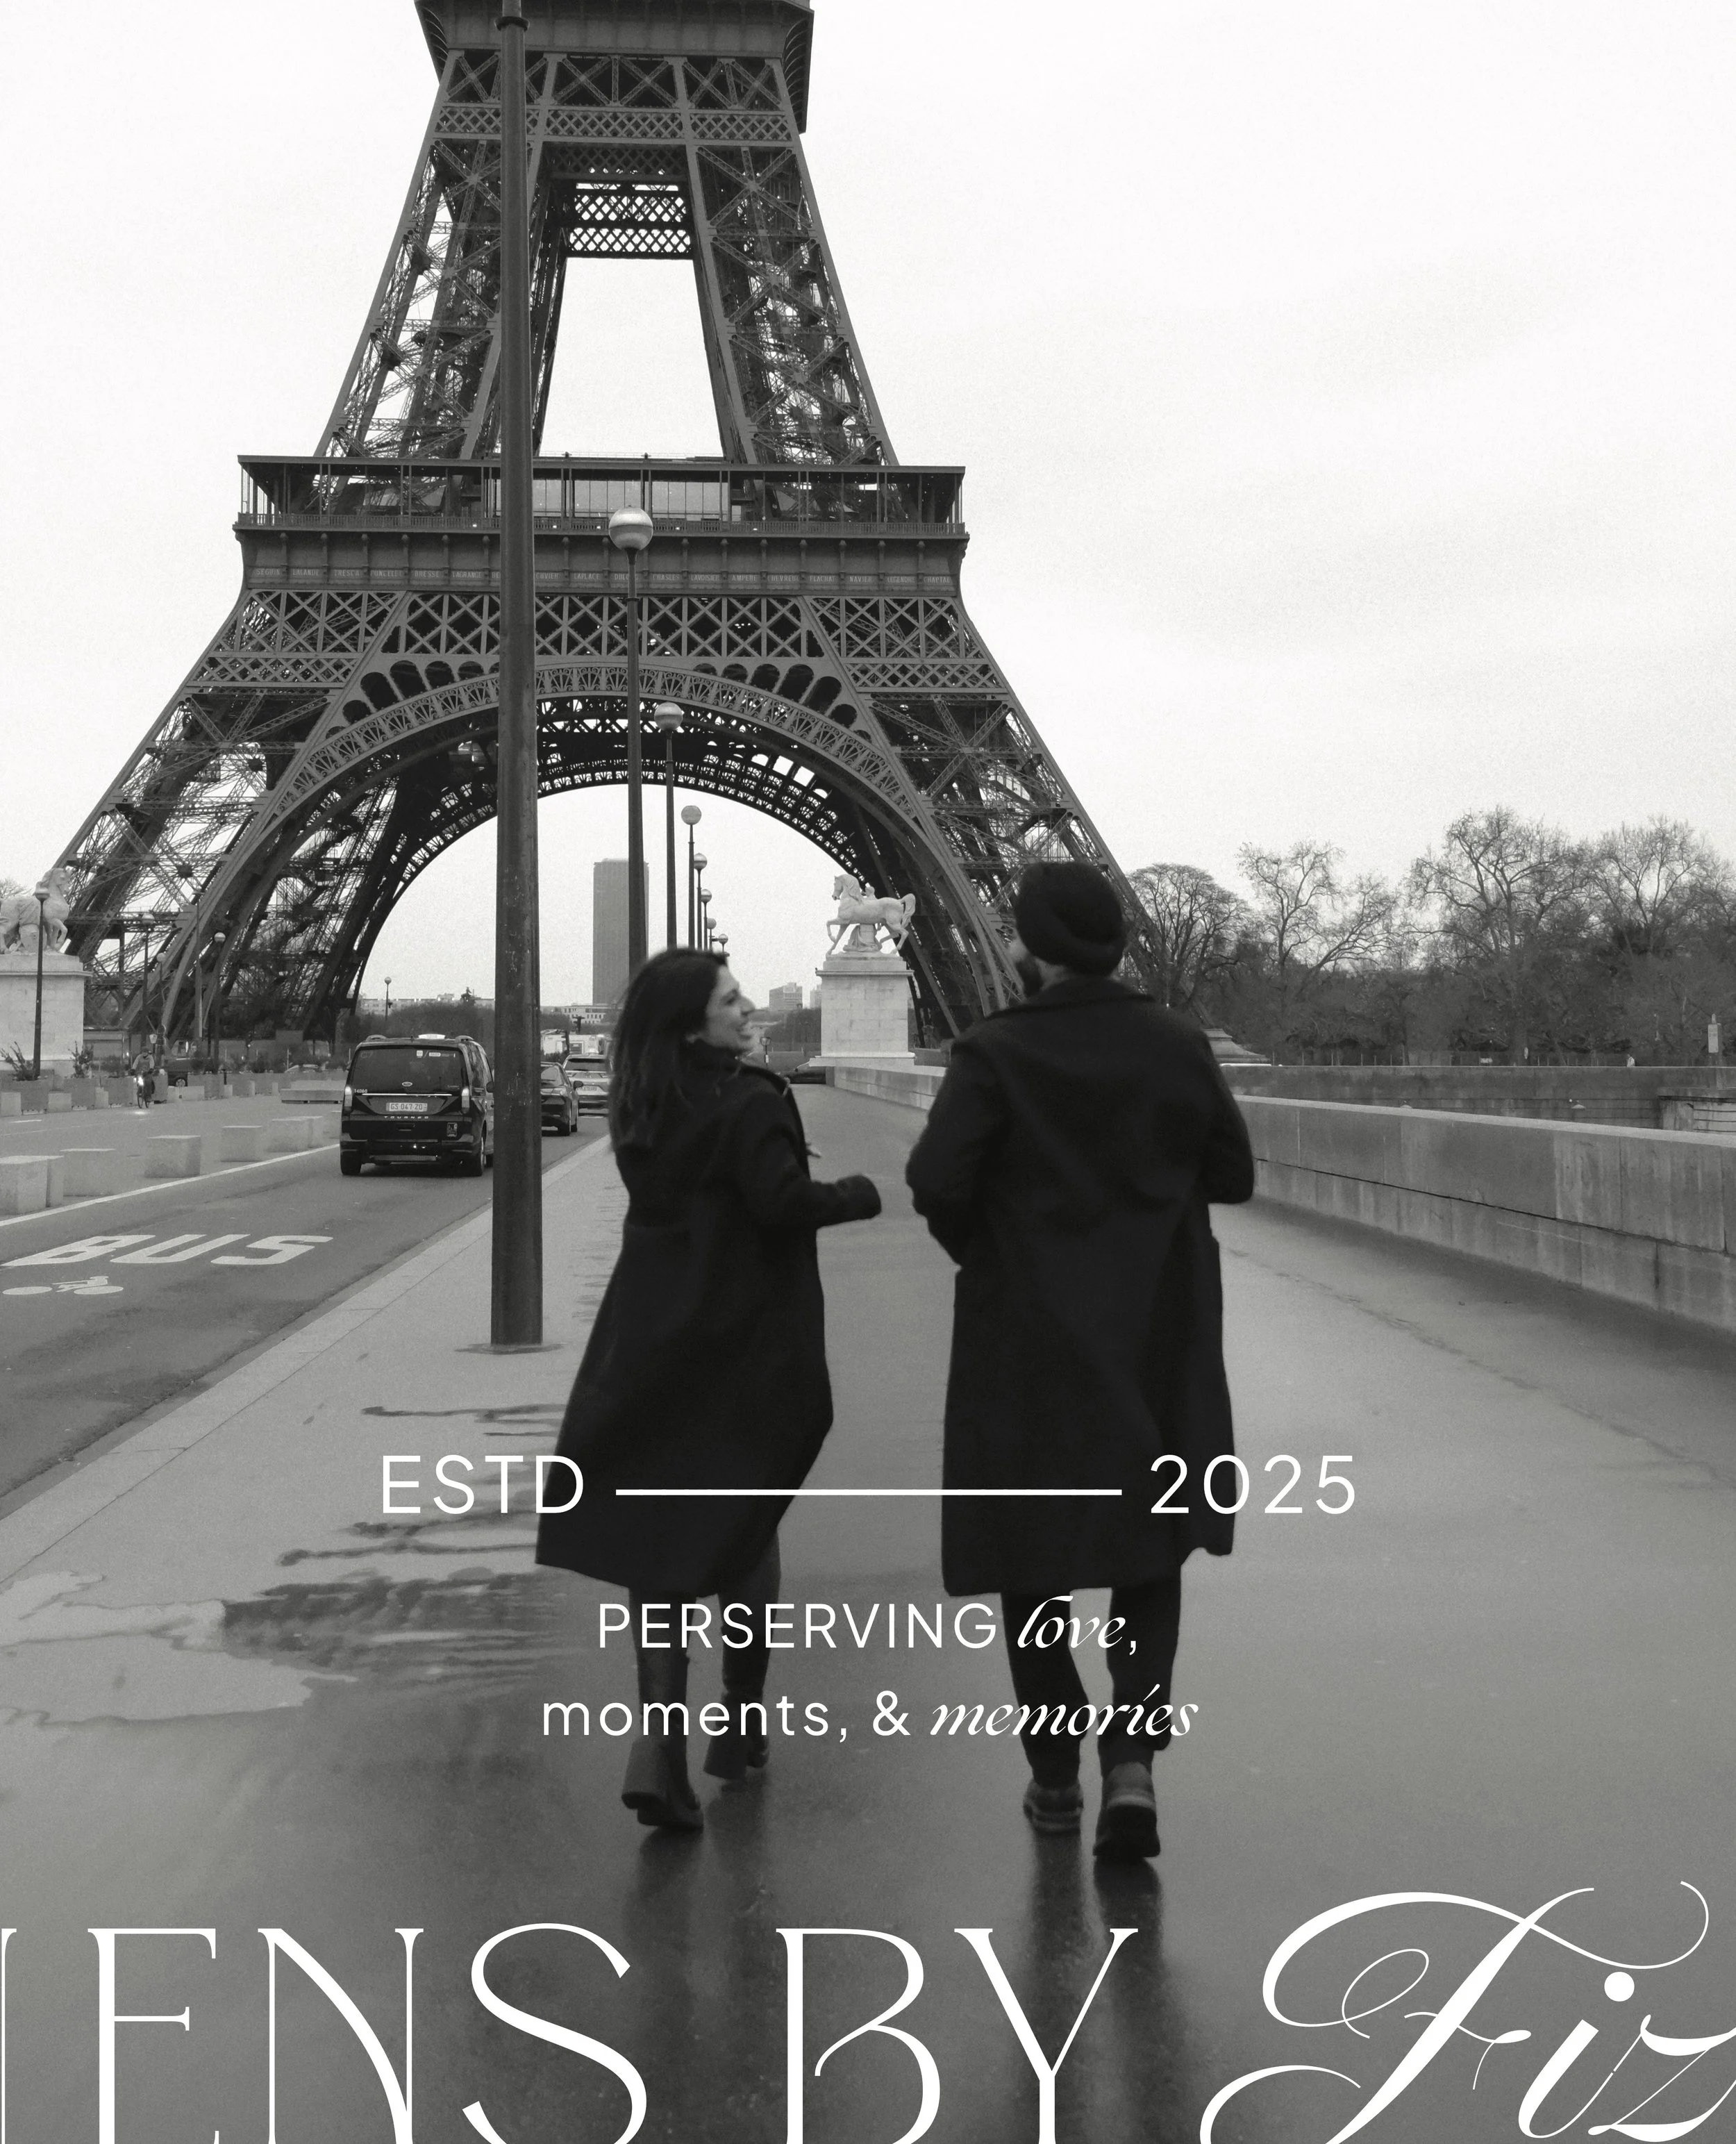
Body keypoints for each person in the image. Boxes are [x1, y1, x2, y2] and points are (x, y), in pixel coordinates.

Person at [904, 860, 1254, 1859]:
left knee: (1032, 1560)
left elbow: (936, 1178)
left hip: (1028, 1340)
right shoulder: (1177, 1042)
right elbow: (1231, 1170)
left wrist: (993, 1248)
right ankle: (1133, 1758)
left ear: (1033, 947)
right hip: (1157, 1331)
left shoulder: (996, 1050)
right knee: (1150, 1549)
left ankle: (1056, 1773)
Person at [536, 949, 882, 1832]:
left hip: (648, 1336)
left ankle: (657, 1741)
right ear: (694, 1019)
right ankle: (739, 1718)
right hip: (741, 1344)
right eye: (731, 1000)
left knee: (660, 1537)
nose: (746, 1011)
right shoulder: (749, 1101)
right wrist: (855, 1194)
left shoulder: (639, 1101)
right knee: (747, 1523)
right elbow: (779, 1204)